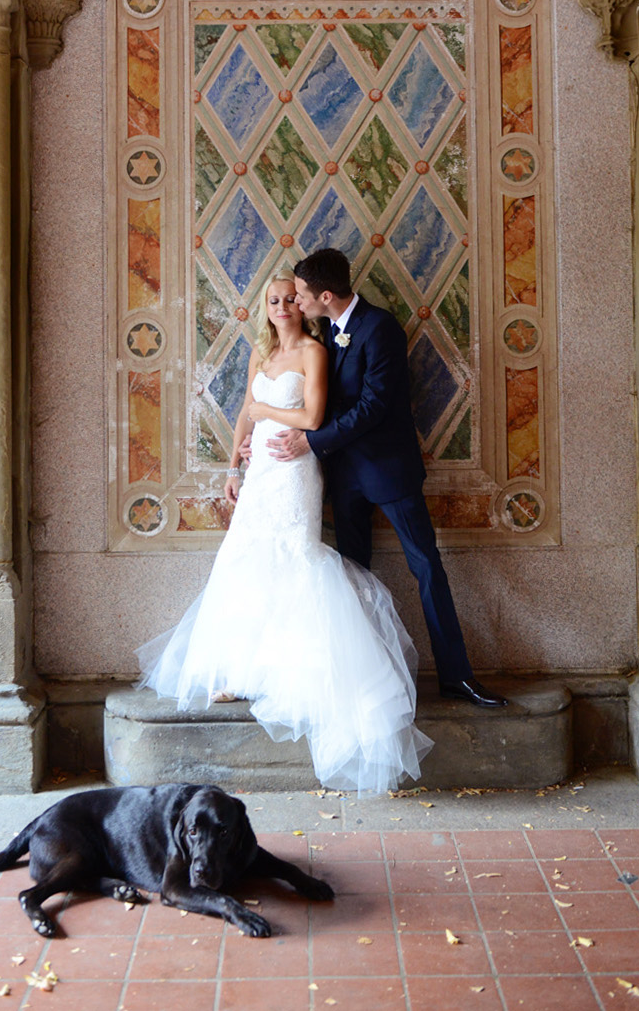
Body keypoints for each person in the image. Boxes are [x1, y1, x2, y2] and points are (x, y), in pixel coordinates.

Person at [136, 271, 433, 796]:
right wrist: (233, 466)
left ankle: (294, 672)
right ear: (265, 307)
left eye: (289, 299)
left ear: (302, 303)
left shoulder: (315, 353)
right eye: (272, 300)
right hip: (261, 474)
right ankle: (243, 668)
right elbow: (242, 417)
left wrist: (265, 411)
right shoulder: (261, 355)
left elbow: (313, 415)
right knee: (246, 559)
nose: (281, 307)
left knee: (295, 555)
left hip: (296, 468)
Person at [266, 247, 507, 710]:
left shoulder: (381, 328)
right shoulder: (324, 331)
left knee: (426, 567)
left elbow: (374, 407)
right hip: (343, 474)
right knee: (352, 575)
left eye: (300, 295)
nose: (295, 302)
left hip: (388, 471)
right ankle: (365, 679)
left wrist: (313, 443)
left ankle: (457, 676)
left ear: (327, 295)